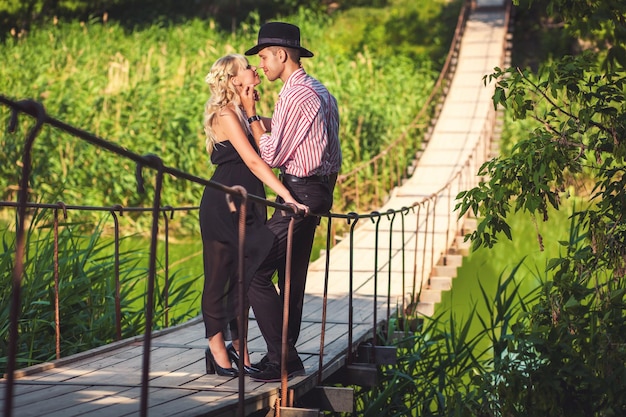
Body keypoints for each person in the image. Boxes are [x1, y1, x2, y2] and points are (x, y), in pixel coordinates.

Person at [240, 22, 342, 382]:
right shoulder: (319, 91)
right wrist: (264, 122)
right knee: (292, 276)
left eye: (265, 56)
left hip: (299, 193)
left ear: (282, 55)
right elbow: (303, 138)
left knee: (252, 269)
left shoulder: (296, 95)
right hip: (318, 191)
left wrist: (251, 115)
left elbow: (271, 152)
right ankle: (283, 355)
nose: (262, 64)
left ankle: (282, 357)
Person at [199, 53, 308, 377]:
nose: (254, 68)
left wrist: (254, 111)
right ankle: (218, 349)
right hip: (224, 203)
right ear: (234, 80)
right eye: (247, 67)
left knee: (245, 277)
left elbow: (276, 137)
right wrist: (287, 196)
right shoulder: (224, 114)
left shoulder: (245, 114)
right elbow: (253, 161)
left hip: (249, 205)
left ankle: (243, 350)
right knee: (220, 277)